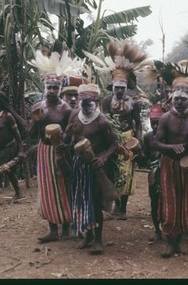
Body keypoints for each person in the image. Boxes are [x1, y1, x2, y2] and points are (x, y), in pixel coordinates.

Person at [64, 83, 119, 255]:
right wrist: (67, 132)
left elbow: (115, 144)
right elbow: (67, 139)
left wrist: (103, 158)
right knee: (81, 200)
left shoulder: (102, 121)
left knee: (94, 202)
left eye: (90, 102)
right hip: (78, 164)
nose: (86, 105)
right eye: (83, 102)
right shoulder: (74, 115)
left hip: (95, 165)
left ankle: (98, 240)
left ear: (96, 101)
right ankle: (86, 235)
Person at [153, 76, 188, 257]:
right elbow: (156, 143)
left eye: (184, 99)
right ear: (172, 99)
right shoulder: (166, 118)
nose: (180, 102)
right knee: (170, 202)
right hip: (169, 164)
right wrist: (169, 147)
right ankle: (170, 242)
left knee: (185, 202)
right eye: (177, 99)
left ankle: (180, 240)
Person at [100, 42, 145, 220]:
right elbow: (104, 122)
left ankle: (124, 207)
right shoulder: (106, 101)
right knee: (112, 170)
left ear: (126, 87)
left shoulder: (134, 103)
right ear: (112, 86)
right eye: (116, 87)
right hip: (111, 138)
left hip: (127, 138)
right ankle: (114, 204)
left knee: (126, 173)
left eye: (122, 87)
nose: (119, 90)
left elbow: (138, 123)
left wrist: (137, 140)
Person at [28, 73, 74, 243]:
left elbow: (70, 134)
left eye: (56, 87)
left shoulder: (66, 109)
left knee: (63, 186)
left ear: (60, 89)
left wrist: (66, 147)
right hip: (44, 151)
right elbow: (31, 134)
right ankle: (53, 229)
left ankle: (67, 229)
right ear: (44, 88)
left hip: (60, 151)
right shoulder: (38, 107)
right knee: (47, 188)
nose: (52, 90)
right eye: (49, 87)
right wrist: (35, 120)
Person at [135, 104, 165, 241]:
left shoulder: (170, 136)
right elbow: (146, 158)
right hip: (154, 172)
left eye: (158, 123)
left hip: (168, 172)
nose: (155, 127)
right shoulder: (148, 137)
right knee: (154, 200)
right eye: (153, 123)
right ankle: (157, 230)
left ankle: (171, 228)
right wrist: (138, 155)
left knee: (169, 200)